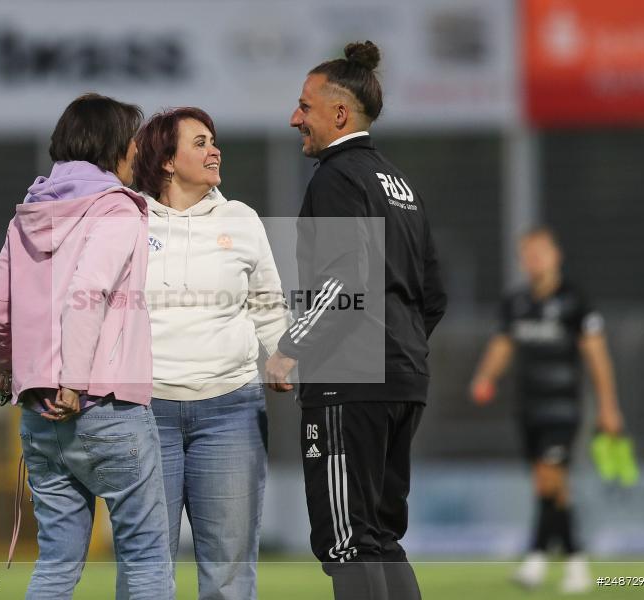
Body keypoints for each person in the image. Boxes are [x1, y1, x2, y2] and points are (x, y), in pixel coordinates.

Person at [264, 41, 447, 600]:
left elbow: (346, 278)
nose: (295, 118)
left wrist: (291, 346)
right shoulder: (399, 183)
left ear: (339, 114)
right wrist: (397, 349)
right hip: (404, 378)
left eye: (305, 107)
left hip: (349, 382)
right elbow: (434, 295)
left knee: (347, 543)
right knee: (382, 540)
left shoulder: (337, 176)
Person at [0, 93, 173, 600]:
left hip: (39, 411)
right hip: (104, 403)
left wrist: (10, 367)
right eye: (132, 141)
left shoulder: (29, 213)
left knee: (56, 565)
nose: (137, 151)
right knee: (147, 559)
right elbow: (88, 293)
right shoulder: (118, 209)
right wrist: (73, 381)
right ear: (114, 146)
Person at [132, 107, 289, 600]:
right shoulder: (127, 219)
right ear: (166, 160)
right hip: (144, 412)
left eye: (213, 141)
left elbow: (268, 304)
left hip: (231, 412)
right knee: (146, 571)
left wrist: (282, 353)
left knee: (228, 575)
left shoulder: (241, 219)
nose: (214, 150)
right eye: (199, 143)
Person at [470, 226, 623, 594]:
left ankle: (540, 559)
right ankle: (572, 563)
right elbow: (502, 345)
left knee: (548, 478)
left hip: (563, 407)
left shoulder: (574, 301)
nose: (534, 259)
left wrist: (608, 406)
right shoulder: (517, 303)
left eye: (540, 252)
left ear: (556, 256)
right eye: (528, 253)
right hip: (528, 407)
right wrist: (485, 377)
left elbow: (597, 356)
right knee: (553, 487)